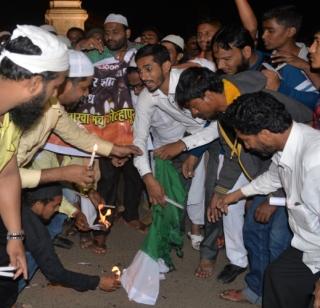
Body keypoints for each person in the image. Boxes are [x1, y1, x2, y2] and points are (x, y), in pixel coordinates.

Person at [175, 67, 312, 302]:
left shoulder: (263, 105)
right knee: (254, 230)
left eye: (195, 107)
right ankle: (260, 290)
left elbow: (293, 149)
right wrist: (229, 194)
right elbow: (249, 162)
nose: (246, 146)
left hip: (298, 183)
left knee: (280, 237)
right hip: (276, 175)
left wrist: (274, 199)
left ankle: (288, 291)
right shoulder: (228, 119)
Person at [215, 91, 320, 308]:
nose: (246, 147)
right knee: (277, 277)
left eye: (245, 140)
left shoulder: (314, 163)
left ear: (264, 133)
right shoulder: (288, 144)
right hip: (308, 243)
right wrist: (236, 195)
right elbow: (274, 177)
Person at [0, 24, 69, 307]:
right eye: (56, 87)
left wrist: (15, 235)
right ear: (35, 83)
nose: (55, 95)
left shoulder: (11, 117)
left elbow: (7, 173)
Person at [19, 183, 120, 293]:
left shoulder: (13, 203)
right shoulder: (36, 232)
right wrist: (97, 282)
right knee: (30, 258)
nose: (58, 209)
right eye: (55, 205)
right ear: (38, 204)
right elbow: (56, 274)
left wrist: (75, 212)